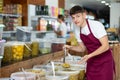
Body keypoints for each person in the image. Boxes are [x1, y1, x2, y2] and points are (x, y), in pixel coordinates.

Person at [64, 5, 115, 80]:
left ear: (84, 15)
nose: (75, 20)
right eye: (73, 17)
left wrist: (89, 56)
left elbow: (105, 46)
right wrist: (70, 47)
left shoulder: (96, 25)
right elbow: (82, 48)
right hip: (92, 61)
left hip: (104, 61)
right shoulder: (77, 30)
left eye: (78, 16)